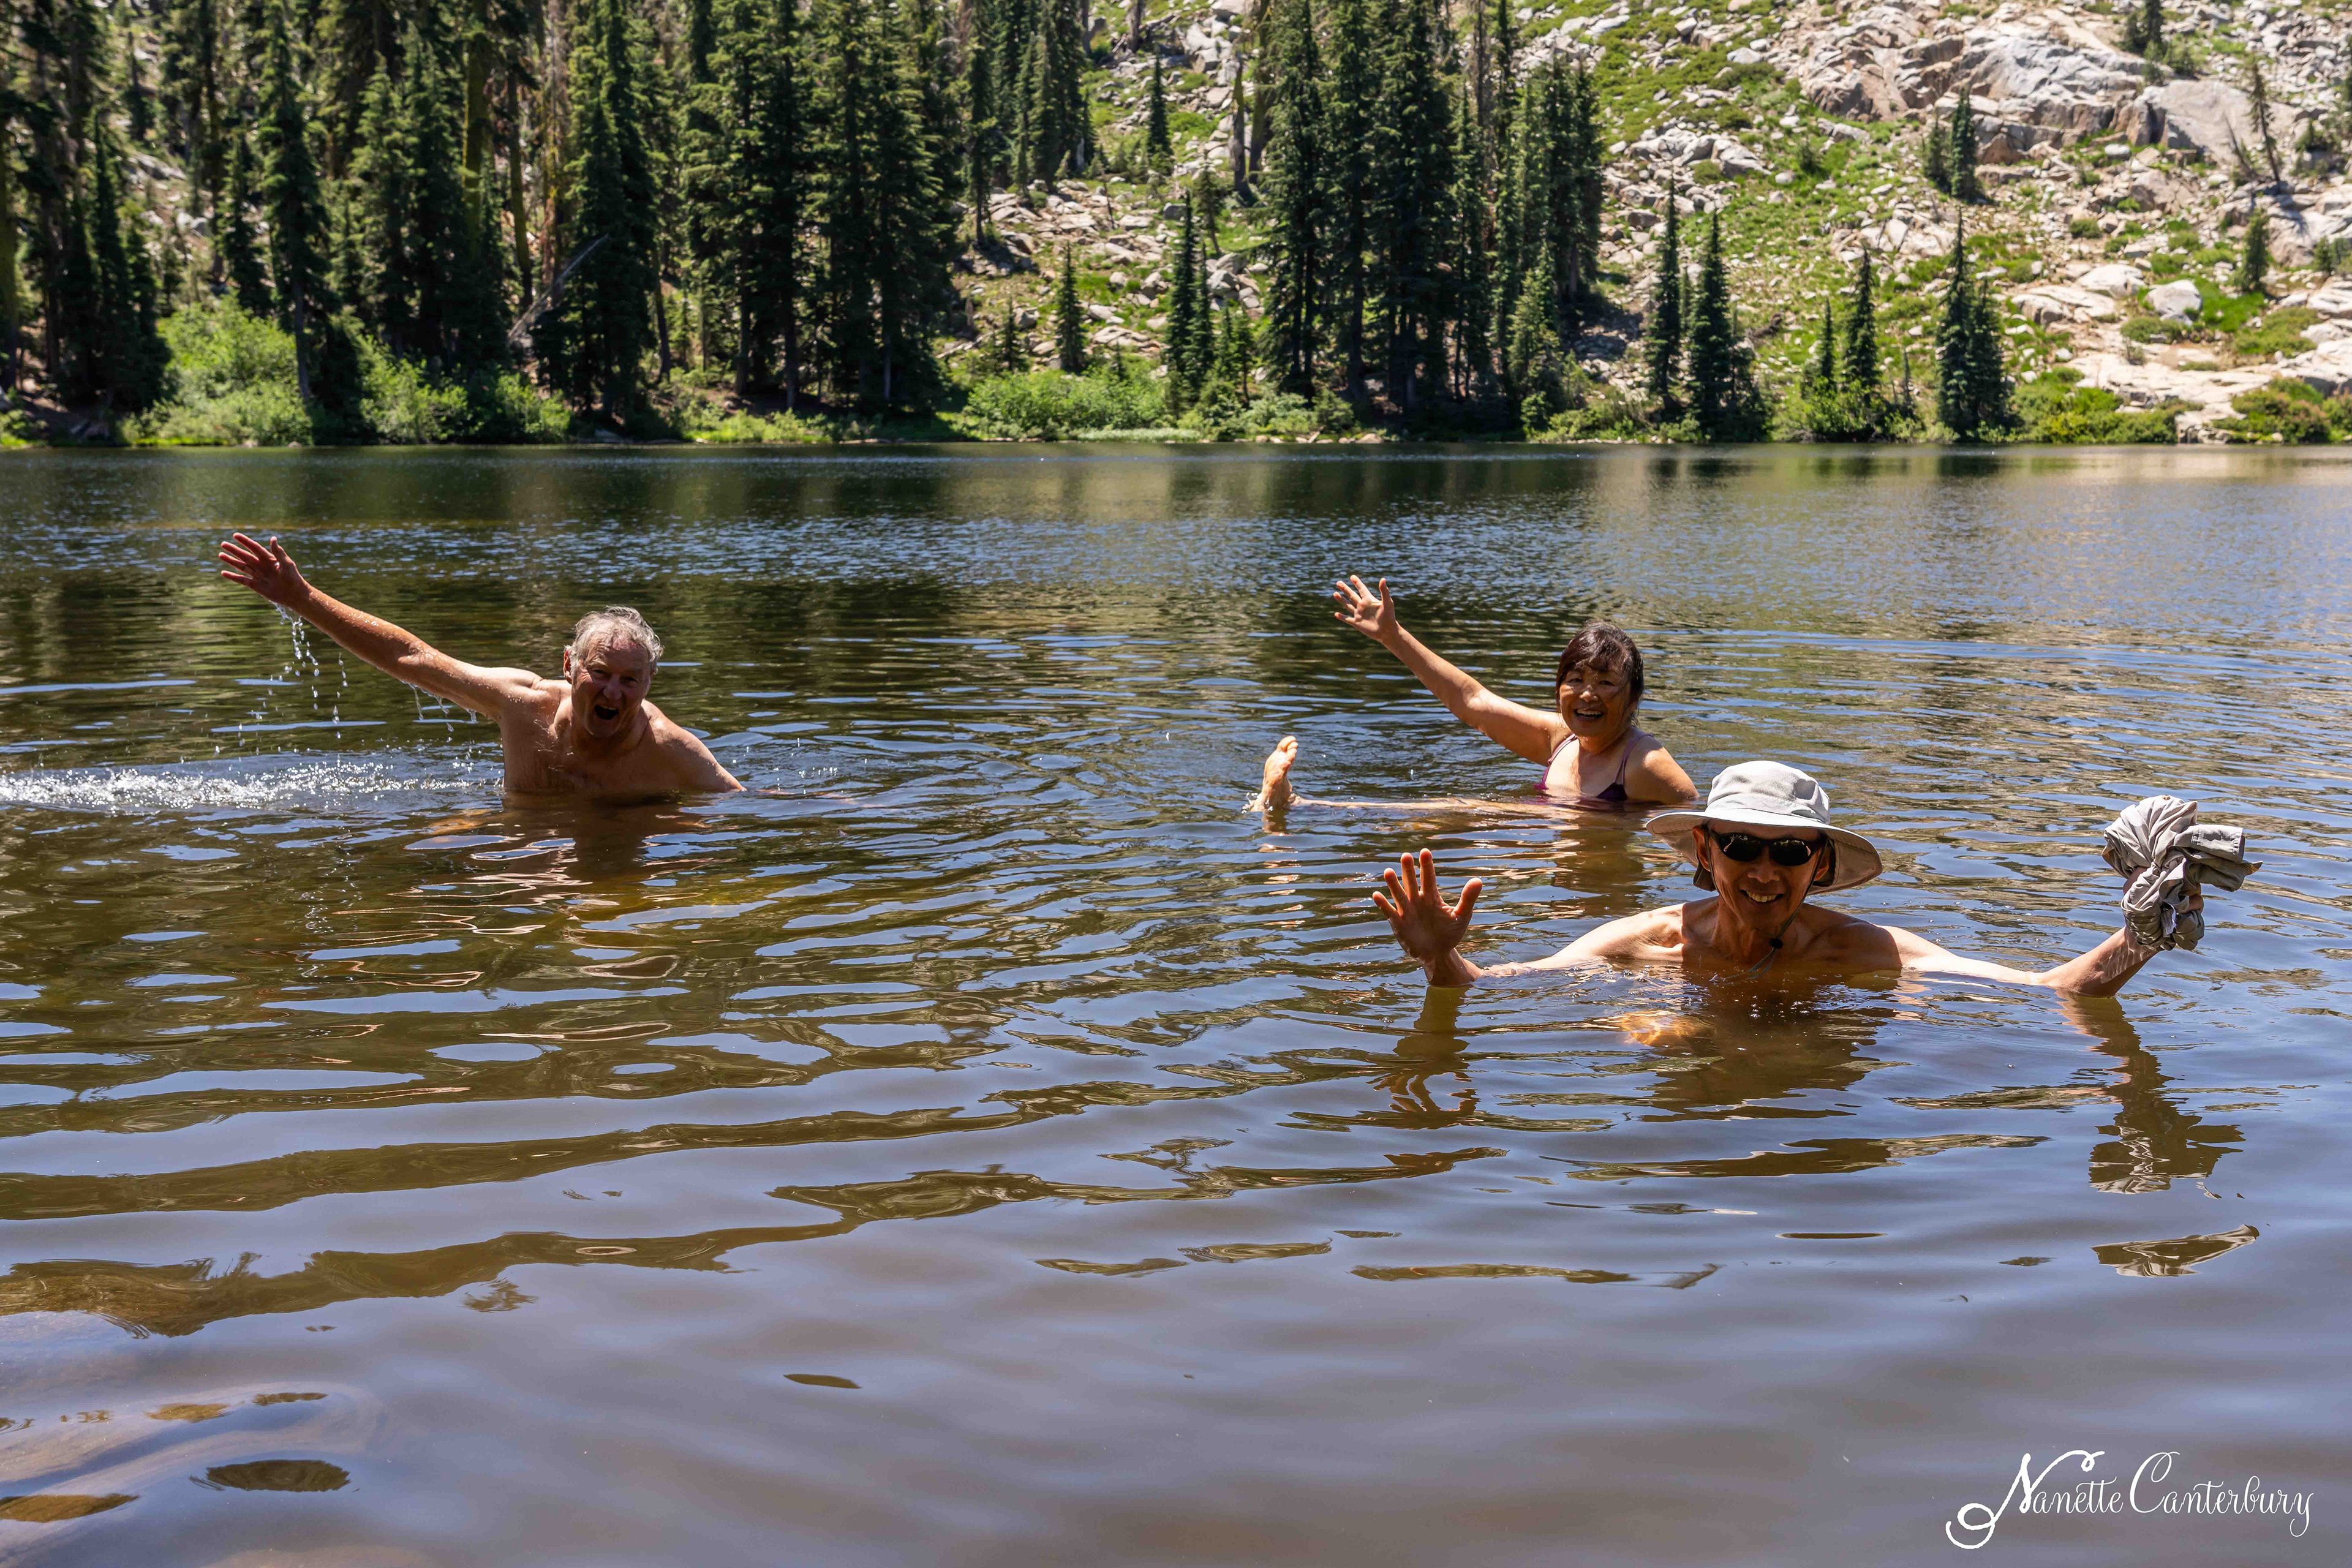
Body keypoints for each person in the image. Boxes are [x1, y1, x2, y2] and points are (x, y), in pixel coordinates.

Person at [1373, 761, 2202, 999]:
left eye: (1790, 854)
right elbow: (1497, 987)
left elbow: (2048, 988)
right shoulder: (1645, 941)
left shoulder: (1865, 950)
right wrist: (1440, 959)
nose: (1764, 873)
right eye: (1742, 847)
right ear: (1706, 854)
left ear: (1821, 868)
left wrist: (2143, 933)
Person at [217, 533, 740, 797]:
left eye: (630, 681)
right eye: (600, 673)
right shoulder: (523, 706)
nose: (613, 693)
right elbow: (411, 658)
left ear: (649, 684)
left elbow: (746, 807)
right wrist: (302, 598)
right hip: (519, 848)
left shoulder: (672, 750)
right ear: (568, 666)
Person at [1251, 577, 1694, 812]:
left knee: (1464, 810)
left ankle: (1300, 808)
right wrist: (1393, 636)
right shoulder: (1560, 740)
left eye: (1605, 682)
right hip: (1551, 856)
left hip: (1590, 879)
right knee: (1458, 810)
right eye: (1575, 679)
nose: (1587, 695)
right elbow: (1473, 702)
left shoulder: (1644, 763)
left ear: (1633, 698)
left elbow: (1699, 834)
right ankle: (1298, 806)